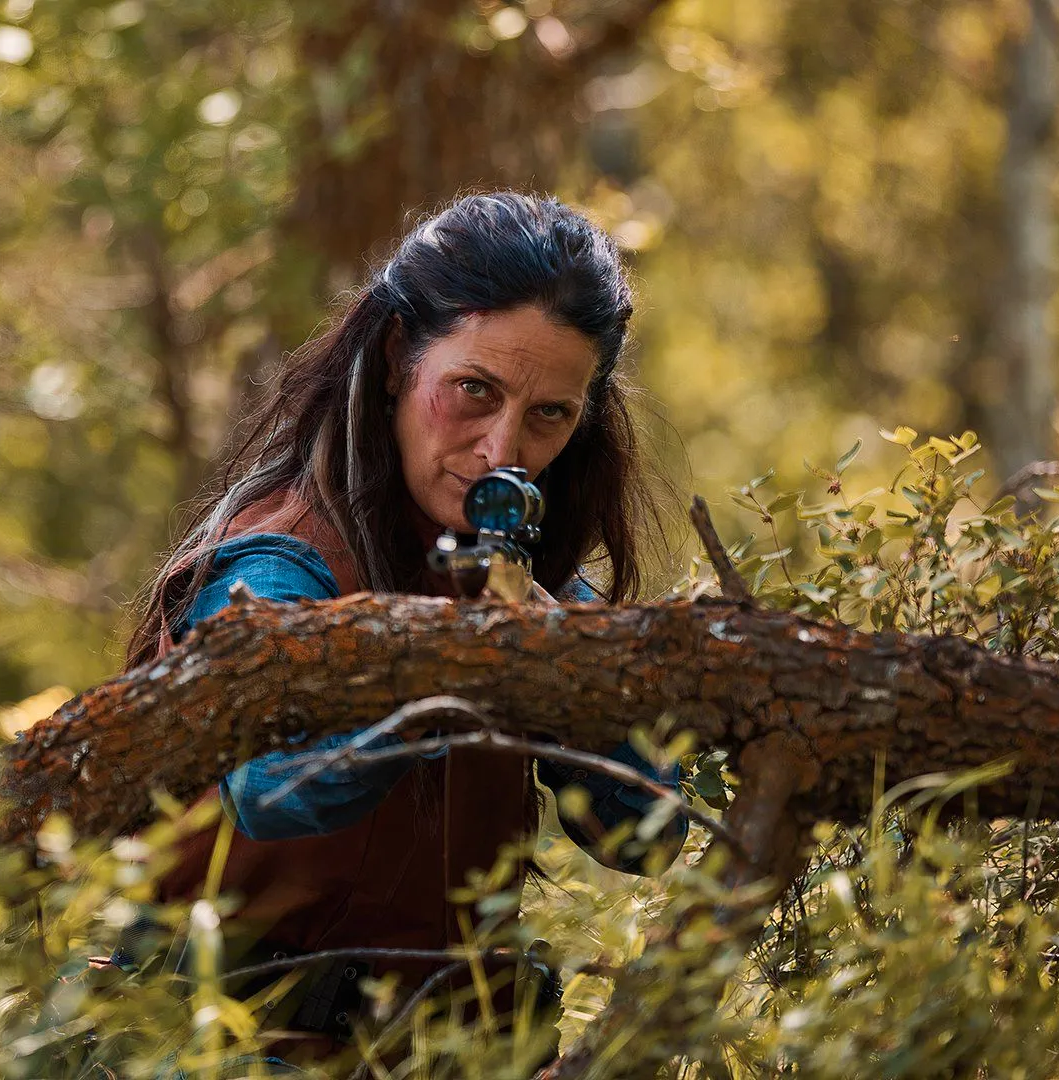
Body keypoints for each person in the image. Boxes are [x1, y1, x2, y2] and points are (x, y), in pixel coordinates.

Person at [121, 191, 685, 1068]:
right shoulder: (275, 564)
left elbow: (646, 834)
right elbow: (276, 786)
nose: (502, 449)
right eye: (472, 390)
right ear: (395, 360)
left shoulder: (535, 592)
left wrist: (564, 660)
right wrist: (455, 666)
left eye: (549, 415)